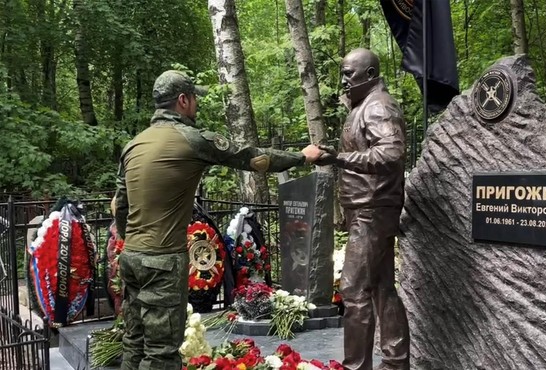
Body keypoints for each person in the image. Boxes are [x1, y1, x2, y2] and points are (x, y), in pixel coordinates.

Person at [114, 70, 323, 370]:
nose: (196, 104)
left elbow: (119, 206)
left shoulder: (133, 145)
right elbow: (254, 158)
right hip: (162, 261)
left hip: (131, 258)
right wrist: (302, 156)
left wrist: (133, 241)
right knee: (161, 353)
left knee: (134, 342)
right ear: (183, 100)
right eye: (194, 97)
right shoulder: (192, 139)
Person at [316, 48, 410, 370]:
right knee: (382, 288)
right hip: (368, 210)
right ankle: (396, 364)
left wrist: (339, 158)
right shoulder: (363, 105)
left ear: (369, 75)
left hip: (372, 211)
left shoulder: (378, 106)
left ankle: (356, 367)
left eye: (348, 73)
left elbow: (391, 154)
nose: (343, 80)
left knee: (354, 291)